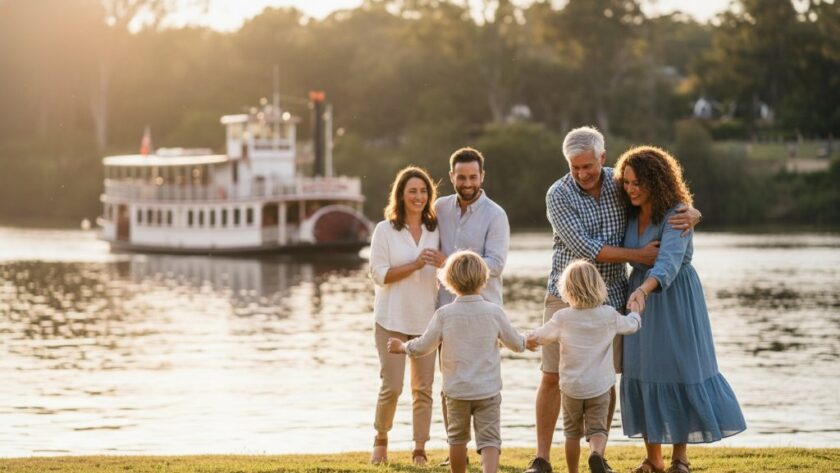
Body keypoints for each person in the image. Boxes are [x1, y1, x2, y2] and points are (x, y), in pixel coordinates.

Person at [528, 126, 701, 473]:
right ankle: (542, 459)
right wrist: (638, 255)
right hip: (565, 296)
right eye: (574, 167)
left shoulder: (620, 183)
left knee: (604, 377)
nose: (581, 174)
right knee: (551, 376)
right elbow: (585, 248)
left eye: (587, 166)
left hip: (613, 298)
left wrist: (693, 213)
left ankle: (599, 454)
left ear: (602, 157)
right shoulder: (558, 195)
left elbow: (662, 200)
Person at [616, 146, 746, 473]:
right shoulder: (628, 211)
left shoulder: (676, 214)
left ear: (656, 182)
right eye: (627, 182)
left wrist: (644, 290)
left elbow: (669, 263)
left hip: (673, 297)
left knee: (677, 369)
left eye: (637, 183)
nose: (630, 189)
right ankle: (652, 458)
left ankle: (680, 458)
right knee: (642, 370)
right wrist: (639, 289)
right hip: (639, 296)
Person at [388, 250, 527, 473]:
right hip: (487, 392)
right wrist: (527, 340)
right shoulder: (494, 312)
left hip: (456, 392)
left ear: (448, 281)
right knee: (490, 440)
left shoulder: (444, 315)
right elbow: (517, 344)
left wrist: (402, 347)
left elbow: (423, 346)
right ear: (483, 279)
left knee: (457, 439)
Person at [420, 147, 510, 467]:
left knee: (485, 380)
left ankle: (487, 445)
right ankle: (454, 447)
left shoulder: (496, 214)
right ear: (451, 177)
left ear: (482, 177)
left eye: (473, 177)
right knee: (450, 381)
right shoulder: (440, 207)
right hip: (446, 309)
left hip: (485, 311)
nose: (468, 182)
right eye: (461, 177)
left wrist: (450, 265)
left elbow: (496, 264)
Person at [527, 260, 642, 473]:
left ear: (566, 290)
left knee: (572, 433)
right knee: (597, 429)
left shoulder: (562, 317)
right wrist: (635, 312)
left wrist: (526, 340)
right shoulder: (608, 314)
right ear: (599, 286)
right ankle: (596, 454)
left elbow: (541, 335)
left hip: (571, 388)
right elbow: (632, 326)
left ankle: (573, 471)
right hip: (599, 387)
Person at [368, 166, 440, 466]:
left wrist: (442, 261)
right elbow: (379, 275)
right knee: (392, 386)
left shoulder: (436, 229)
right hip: (391, 320)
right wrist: (413, 265)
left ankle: (419, 449)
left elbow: (450, 270)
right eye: (412, 191)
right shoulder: (385, 230)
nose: (418, 197)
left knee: (423, 389)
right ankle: (381, 438)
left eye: (423, 191)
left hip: (426, 320)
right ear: (401, 194)